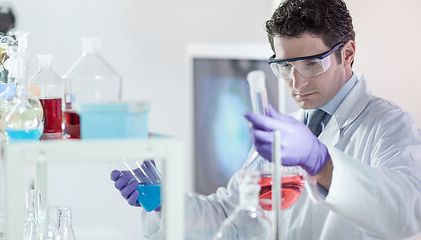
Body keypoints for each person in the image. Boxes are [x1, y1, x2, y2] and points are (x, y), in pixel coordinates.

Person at [111, 0, 421, 239]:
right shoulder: (286, 131)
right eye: (285, 65)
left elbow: (405, 212)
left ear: (348, 53)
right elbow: (230, 219)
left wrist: (321, 162)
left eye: (312, 63)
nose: (296, 83)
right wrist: (165, 204)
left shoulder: (388, 125)